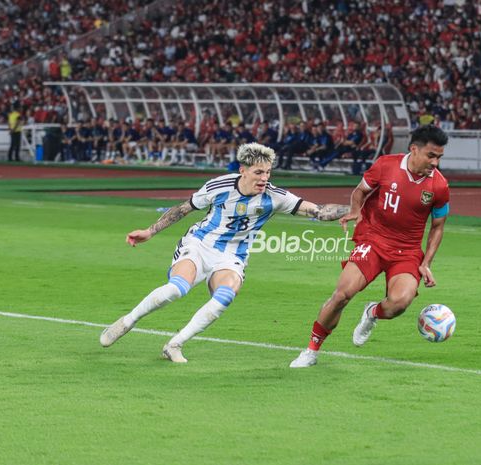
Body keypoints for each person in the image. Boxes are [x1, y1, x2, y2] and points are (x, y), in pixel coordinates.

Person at [100, 143, 349, 363]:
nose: (264, 178)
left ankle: (174, 344)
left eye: (268, 172)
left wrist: (356, 207)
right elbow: (184, 209)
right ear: (243, 170)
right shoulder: (219, 186)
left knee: (226, 294)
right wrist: (150, 231)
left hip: (232, 256)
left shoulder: (276, 197)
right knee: (177, 288)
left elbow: (318, 211)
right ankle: (127, 321)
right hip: (199, 244)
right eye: (258, 172)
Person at [289, 125, 450, 368]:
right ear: (414, 149)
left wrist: (426, 262)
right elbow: (360, 191)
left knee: (400, 303)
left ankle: (371, 313)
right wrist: (355, 211)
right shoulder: (386, 165)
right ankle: (311, 350)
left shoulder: (439, 186)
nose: (435, 162)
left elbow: (438, 226)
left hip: (406, 251)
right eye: (431, 155)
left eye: (439, 157)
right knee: (342, 295)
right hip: (374, 240)